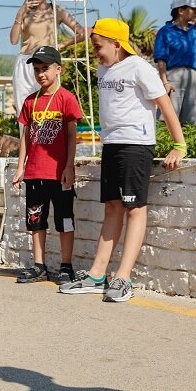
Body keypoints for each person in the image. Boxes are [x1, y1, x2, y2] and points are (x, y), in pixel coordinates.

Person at [60, 18, 186, 302]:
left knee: (135, 209)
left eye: (98, 46)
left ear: (116, 44)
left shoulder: (140, 67)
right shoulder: (104, 68)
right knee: (112, 208)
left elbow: (164, 105)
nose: (95, 51)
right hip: (112, 145)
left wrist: (178, 145)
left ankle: (123, 278)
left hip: (136, 145)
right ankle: (96, 275)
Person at [11, 46, 82, 284]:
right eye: (37, 69)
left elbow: (72, 136)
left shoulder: (66, 98)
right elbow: (25, 137)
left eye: (46, 68)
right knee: (36, 220)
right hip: (35, 174)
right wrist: (21, 167)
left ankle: (66, 265)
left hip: (59, 174)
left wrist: (69, 166)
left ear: (58, 69)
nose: (41, 73)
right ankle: (39, 265)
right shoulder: (31, 102)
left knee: (64, 220)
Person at [10, 0, 86, 114]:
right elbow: (13, 40)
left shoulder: (57, 11)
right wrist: (20, 13)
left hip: (46, 62)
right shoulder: (24, 13)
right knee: (23, 109)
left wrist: (62, 45)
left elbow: (81, 34)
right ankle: (25, 136)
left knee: (47, 106)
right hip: (25, 62)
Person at [153, 0, 196, 124]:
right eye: (192, 8)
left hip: (193, 78)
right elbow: (161, 59)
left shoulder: (194, 30)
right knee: (169, 118)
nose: (195, 11)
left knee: (192, 122)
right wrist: (165, 81)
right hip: (173, 78)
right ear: (181, 10)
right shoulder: (165, 31)